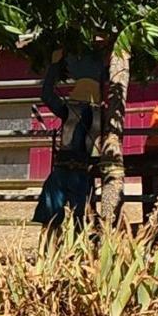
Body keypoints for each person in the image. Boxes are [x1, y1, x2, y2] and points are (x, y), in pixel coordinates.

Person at [32, 49, 106, 232]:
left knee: (51, 214)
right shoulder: (101, 114)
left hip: (64, 168)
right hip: (84, 169)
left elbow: (46, 94)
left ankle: (50, 244)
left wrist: (55, 66)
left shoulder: (69, 110)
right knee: (81, 217)